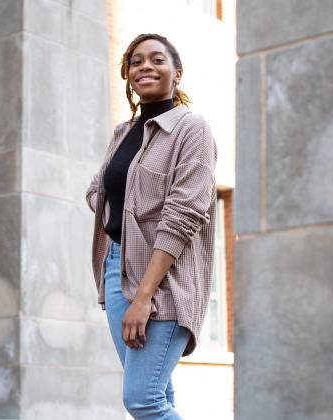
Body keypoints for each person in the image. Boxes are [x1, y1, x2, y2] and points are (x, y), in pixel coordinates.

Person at [86, 33, 218, 419]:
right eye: (136, 61)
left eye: (157, 60)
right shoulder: (122, 134)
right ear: (127, 74)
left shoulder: (191, 130)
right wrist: (126, 216)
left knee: (143, 400)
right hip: (115, 268)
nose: (145, 66)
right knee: (159, 393)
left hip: (166, 276)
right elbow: (97, 189)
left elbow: (184, 215)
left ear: (177, 73)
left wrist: (143, 297)